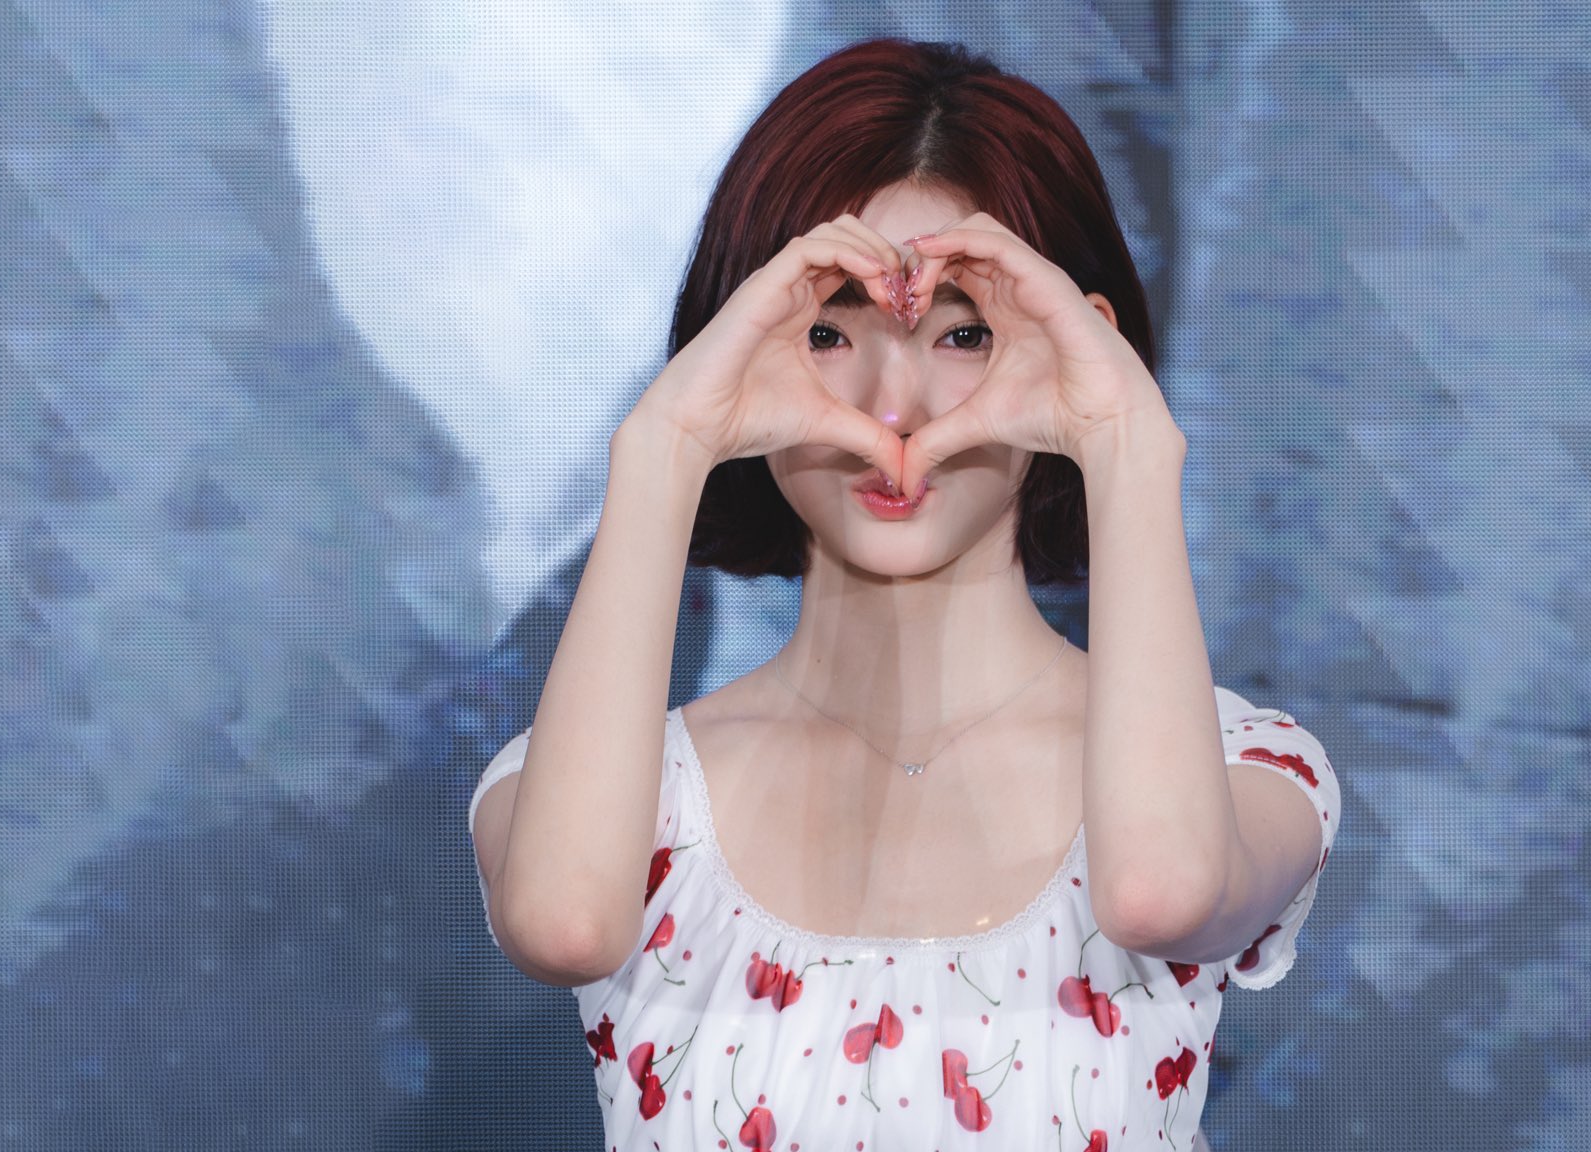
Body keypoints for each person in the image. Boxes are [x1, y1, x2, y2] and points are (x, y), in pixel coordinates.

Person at [468, 36, 1341, 1150]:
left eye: (962, 332)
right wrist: (662, 449)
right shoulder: (605, 788)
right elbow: (562, 925)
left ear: (1082, 343)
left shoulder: (1240, 772)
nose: (894, 405)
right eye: (828, 330)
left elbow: (1159, 895)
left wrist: (1124, 439)